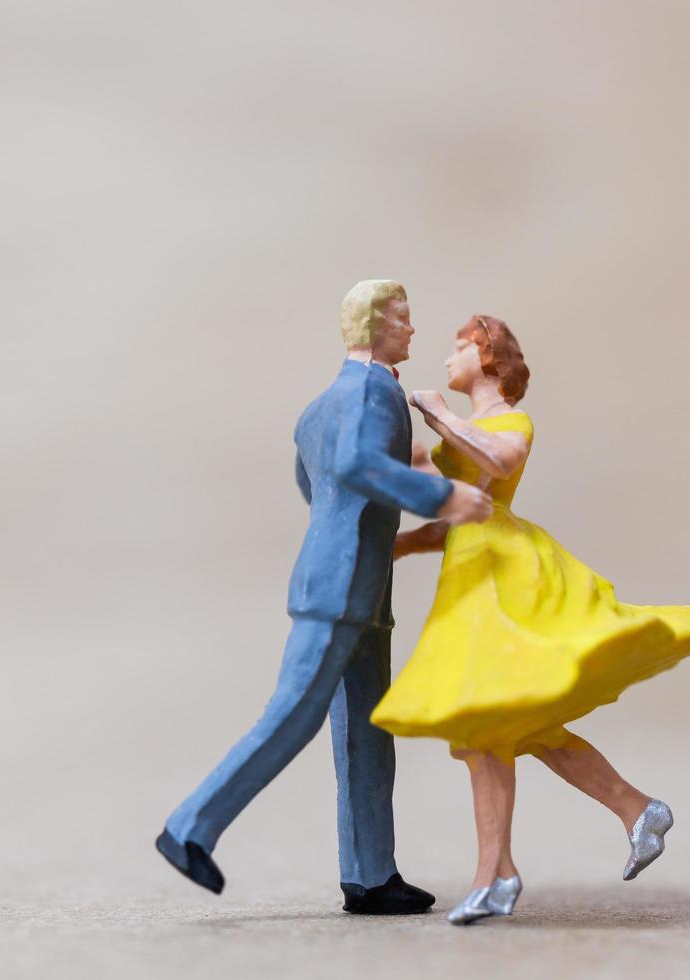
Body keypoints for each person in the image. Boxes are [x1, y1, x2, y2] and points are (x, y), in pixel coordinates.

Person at [155, 280, 492, 914]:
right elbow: (357, 468)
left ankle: (370, 874)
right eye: (402, 318)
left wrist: (383, 492)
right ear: (373, 326)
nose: (412, 329)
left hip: (356, 583)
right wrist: (443, 497)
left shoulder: (321, 406)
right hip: (338, 588)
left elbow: (314, 482)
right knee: (294, 714)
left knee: (368, 731)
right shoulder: (369, 392)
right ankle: (188, 827)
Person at [375, 315, 690, 925]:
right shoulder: (466, 429)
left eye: (458, 348)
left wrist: (438, 416)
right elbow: (457, 510)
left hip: (504, 576)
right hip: (471, 570)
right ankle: (636, 809)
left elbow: (501, 465)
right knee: (515, 728)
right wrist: (402, 532)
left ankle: (495, 878)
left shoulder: (508, 418)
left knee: (487, 731)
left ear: (487, 356)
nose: (448, 360)